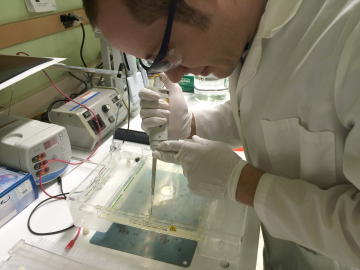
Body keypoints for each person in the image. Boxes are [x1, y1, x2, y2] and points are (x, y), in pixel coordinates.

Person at [82, 0, 360, 269]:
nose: (176, 76)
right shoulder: (244, 34)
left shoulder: (349, 31)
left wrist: (242, 184)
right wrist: (190, 124)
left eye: (166, 52)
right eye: (157, 63)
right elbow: (263, 111)